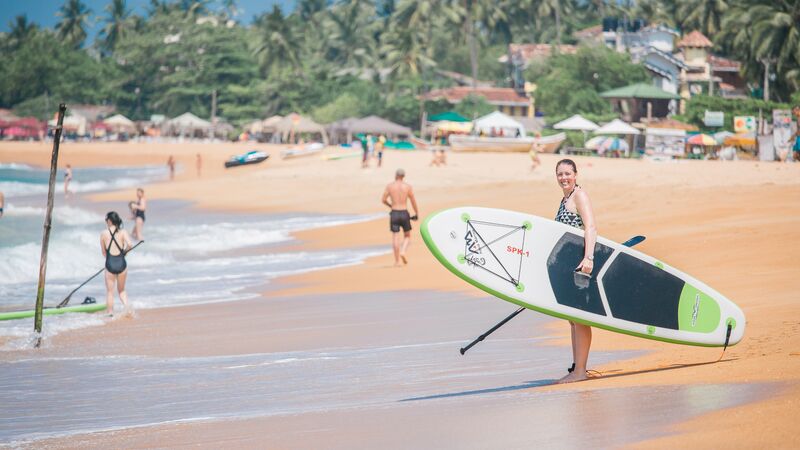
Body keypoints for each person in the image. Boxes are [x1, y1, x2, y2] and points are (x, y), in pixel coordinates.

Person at [553, 159, 597, 384]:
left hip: (580, 264)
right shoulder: (565, 199)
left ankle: (580, 371)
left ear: (576, 174)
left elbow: (590, 226)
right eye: (560, 174)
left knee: (579, 318)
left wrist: (588, 257)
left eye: (567, 173)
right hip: (567, 266)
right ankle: (577, 367)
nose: (564, 178)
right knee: (573, 319)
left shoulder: (579, 195)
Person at [381, 169, 419, 266]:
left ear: (396, 175)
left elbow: (383, 200)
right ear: (403, 176)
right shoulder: (407, 187)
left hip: (394, 213)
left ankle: (397, 261)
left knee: (395, 236)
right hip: (404, 212)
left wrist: (391, 206)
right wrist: (416, 212)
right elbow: (413, 201)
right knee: (407, 236)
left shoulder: (390, 186)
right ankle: (403, 251)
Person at [100, 211, 134, 317]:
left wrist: (110, 259)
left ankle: (110, 313)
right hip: (122, 264)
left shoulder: (104, 234)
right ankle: (127, 308)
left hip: (110, 265)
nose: (106, 222)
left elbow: (104, 253)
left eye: (106, 220)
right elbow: (130, 245)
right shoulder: (123, 232)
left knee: (110, 291)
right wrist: (124, 253)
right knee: (121, 290)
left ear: (109, 221)